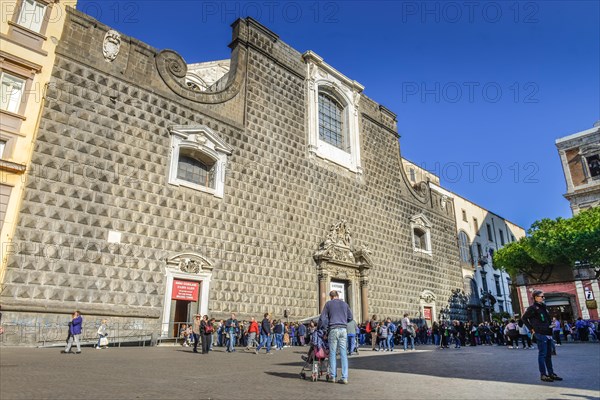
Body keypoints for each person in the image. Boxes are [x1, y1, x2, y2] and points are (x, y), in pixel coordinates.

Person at [522, 290, 563, 382]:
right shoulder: (532, 308)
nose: (543, 298)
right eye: (542, 296)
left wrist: (551, 325)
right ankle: (543, 374)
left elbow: (546, 319)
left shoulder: (544, 306)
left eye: (543, 296)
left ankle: (551, 373)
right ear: (536, 297)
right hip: (540, 333)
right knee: (542, 354)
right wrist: (531, 329)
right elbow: (524, 318)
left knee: (548, 355)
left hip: (548, 332)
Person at [318, 290, 353, 384]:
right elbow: (351, 318)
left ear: (331, 297)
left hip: (333, 329)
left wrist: (324, 329)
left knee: (332, 353)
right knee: (343, 353)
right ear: (337, 295)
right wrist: (343, 320)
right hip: (343, 330)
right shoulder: (345, 304)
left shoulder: (328, 304)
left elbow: (323, 318)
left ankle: (332, 376)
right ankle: (344, 377)